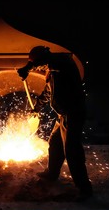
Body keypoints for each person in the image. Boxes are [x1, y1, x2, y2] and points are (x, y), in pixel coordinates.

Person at [17, 46, 93, 201]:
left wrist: (28, 67)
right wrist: (36, 109)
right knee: (55, 143)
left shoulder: (63, 62)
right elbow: (47, 92)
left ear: (44, 57)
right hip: (63, 115)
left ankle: (84, 189)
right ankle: (52, 173)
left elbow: (55, 64)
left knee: (72, 151)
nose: (38, 67)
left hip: (73, 114)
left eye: (37, 63)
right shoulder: (52, 72)